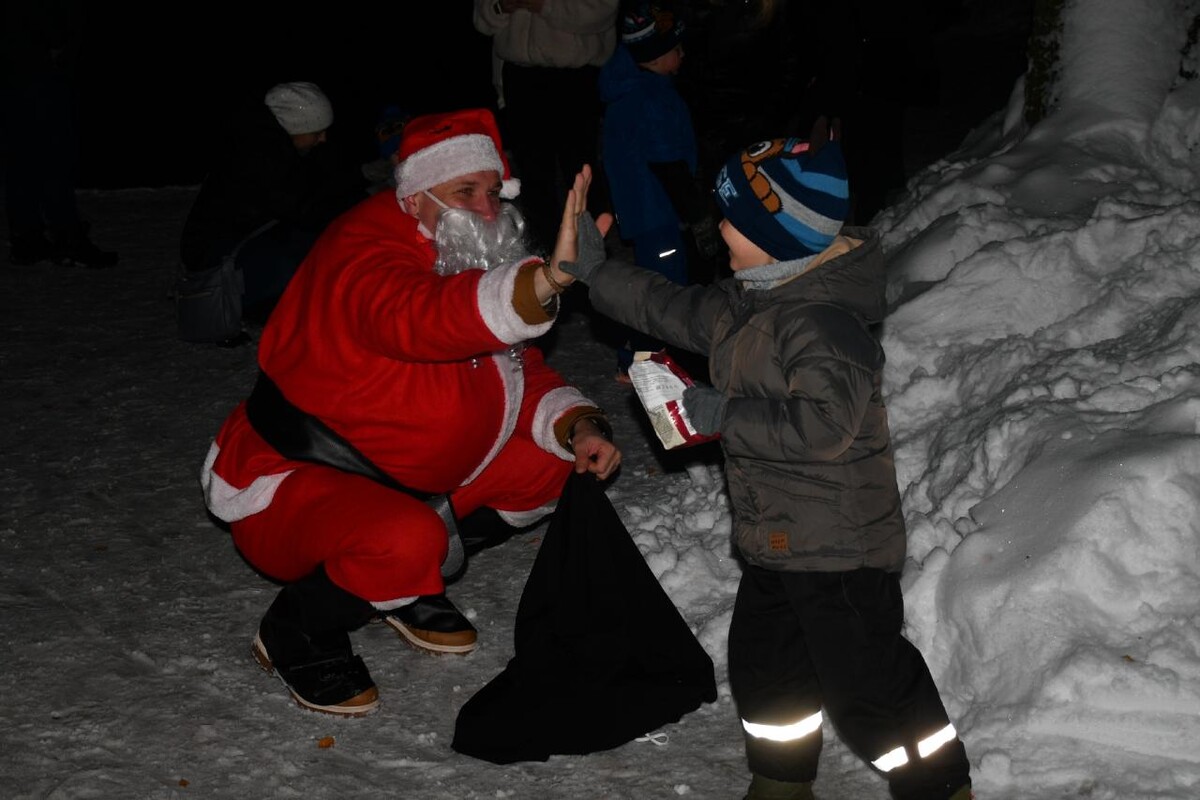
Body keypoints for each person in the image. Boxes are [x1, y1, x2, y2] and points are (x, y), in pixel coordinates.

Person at [557, 122, 973, 800]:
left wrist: (723, 413)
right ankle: (781, 782)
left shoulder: (823, 324)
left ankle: (940, 787)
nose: (719, 229)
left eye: (734, 219)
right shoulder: (749, 301)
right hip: (778, 540)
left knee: (867, 688)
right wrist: (595, 271)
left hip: (840, 550)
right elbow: (670, 307)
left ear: (778, 236)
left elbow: (824, 428)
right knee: (767, 667)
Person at [199, 107, 621, 717]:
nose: (486, 210)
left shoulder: (458, 242)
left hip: (408, 477)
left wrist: (578, 425)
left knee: (557, 465)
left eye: (493, 192)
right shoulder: (362, 249)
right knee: (407, 538)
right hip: (300, 482)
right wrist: (543, 284)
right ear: (415, 195)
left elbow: (512, 368)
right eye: (465, 192)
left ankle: (401, 583)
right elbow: (419, 316)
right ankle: (300, 627)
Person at [179, 81, 368, 330]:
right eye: (317, 131)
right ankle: (260, 304)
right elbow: (304, 209)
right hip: (215, 258)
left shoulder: (271, 144)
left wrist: (359, 182)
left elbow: (315, 186)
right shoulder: (259, 156)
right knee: (314, 244)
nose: (323, 139)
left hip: (234, 242)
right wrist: (361, 209)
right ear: (296, 127)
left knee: (312, 237)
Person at [598, 0, 721, 381]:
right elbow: (668, 164)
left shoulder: (635, 90)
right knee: (663, 290)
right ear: (653, 57)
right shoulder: (651, 98)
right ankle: (639, 360)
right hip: (657, 212)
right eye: (676, 49)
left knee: (660, 284)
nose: (682, 55)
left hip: (649, 210)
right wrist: (694, 214)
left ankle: (645, 356)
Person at [472, 0, 619, 257]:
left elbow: (602, 12)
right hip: (520, 77)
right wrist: (501, 7)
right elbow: (482, 19)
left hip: (572, 76)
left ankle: (595, 257)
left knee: (581, 171)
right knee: (533, 178)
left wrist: (544, 5)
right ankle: (545, 261)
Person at [2, 0, 118, 268]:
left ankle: (29, 237)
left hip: (19, 58)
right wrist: (56, 39)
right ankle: (64, 236)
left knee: (23, 149)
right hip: (33, 60)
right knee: (51, 150)